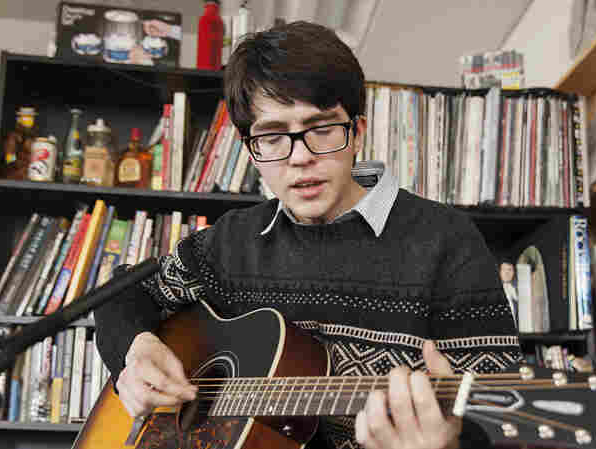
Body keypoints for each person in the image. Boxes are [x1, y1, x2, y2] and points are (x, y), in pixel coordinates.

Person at [95, 21, 519, 449]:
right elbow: (122, 294)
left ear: (357, 133)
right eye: (274, 136)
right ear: (250, 152)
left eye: (321, 129)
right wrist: (136, 349)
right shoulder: (230, 242)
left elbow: (502, 422)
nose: (300, 158)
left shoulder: (446, 242)